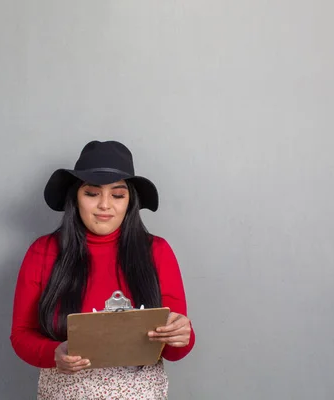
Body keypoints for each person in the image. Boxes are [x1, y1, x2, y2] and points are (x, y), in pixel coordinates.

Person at [10, 140, 195, 399]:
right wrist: (54, 353)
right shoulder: (43, 252)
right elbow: (21, 336)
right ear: (76, 196)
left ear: (130, 201)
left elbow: (174, 350)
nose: (105, 205)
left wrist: (181, 334)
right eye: (92, 193)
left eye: (118, 195)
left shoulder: (158, 251)